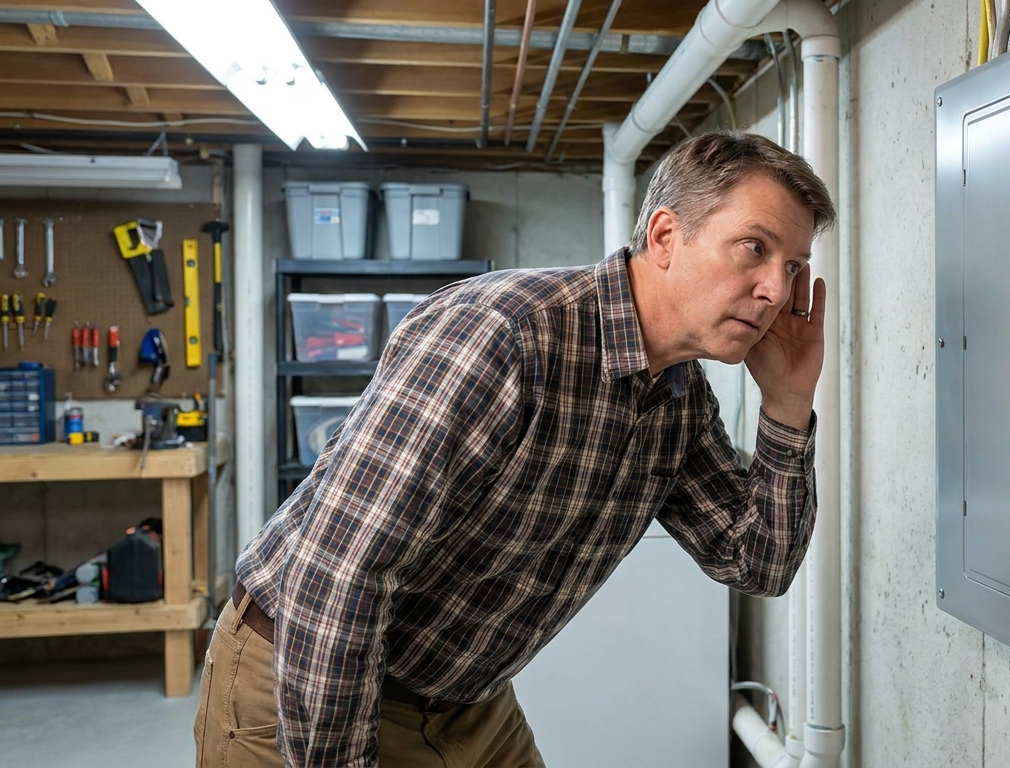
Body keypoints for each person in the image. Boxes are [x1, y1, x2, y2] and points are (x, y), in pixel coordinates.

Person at [193, 130, 837, 767]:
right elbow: (338, 577)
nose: (776, 292)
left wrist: (787, 405)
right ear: (667, 237)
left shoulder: (679, 398)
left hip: (464, 698)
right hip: (306, 671)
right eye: (754, 248)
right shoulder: (505, 334)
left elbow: (758, 564)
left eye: (791, 267)